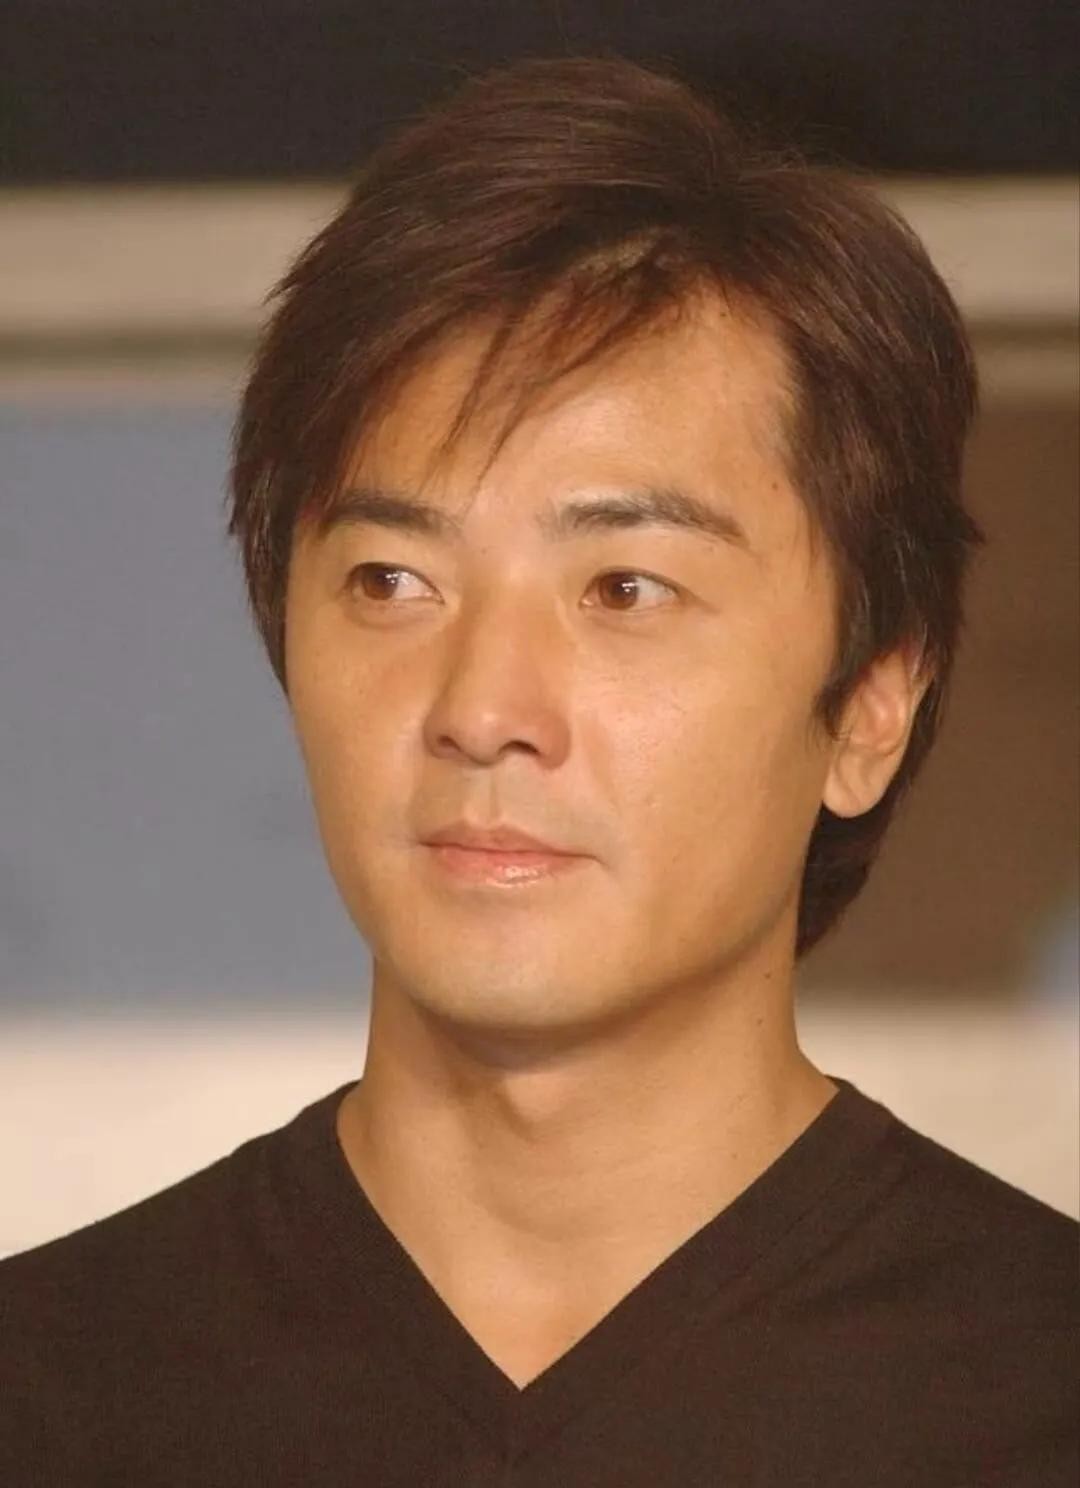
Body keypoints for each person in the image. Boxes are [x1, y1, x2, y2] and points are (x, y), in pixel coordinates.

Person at [1, 54, 1075, 1487]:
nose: (483, 710)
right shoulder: (54, 1391)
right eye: (392, 581)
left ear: (872, 706)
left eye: (625, 588)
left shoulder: (1032, 1388)